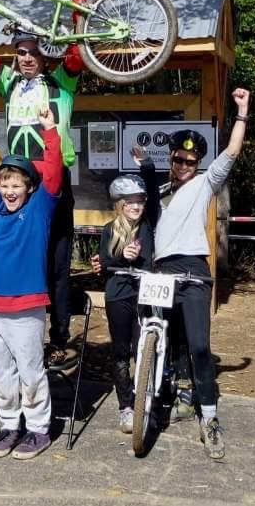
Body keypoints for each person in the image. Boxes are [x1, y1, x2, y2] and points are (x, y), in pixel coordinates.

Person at [0, 2, 83, 370]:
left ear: (44, 56)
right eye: (21, 52)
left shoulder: (61, 82)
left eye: (34, 52)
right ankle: (23, 332)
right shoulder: (10, 84)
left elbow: (79, 49)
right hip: (18, 183)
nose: (27, 58)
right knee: (22, 259)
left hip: (52, 181)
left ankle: (61, 340)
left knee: (57, 264)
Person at [151, 87, 251, 459]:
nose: (183, 166)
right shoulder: (158, 191)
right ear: (171, 159)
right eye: (178, 159)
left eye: (190, 161)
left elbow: (232, 153)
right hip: (161, 271)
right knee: (167, 343)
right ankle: (180, 396)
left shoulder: (203, 184)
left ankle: (209, 417)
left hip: (192, 267)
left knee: (198, 345)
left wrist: (240, 112)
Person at [0, 105, 62, 460]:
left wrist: (50, 130)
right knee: (2, 372)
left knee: (30, 372)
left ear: (29, 187)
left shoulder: (39, 208)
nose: (8, 190)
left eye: (16, 184)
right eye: (4, 183)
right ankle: (9, 424)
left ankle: (38, 429)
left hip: (28, 307)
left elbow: (52, 173)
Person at [98, 148, 158, 433]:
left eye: (139, 202)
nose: (136, 207)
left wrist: (146, 164)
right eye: (130, 203)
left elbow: (155, 194)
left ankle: (148, 400)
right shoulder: (109, 230)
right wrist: (125, 256)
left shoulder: (148, 224)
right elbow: (106, 264)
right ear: (120, 204)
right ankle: (126, 406)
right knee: (121, 352)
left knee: (144, 349)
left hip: (147, 292)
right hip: (118, 294)